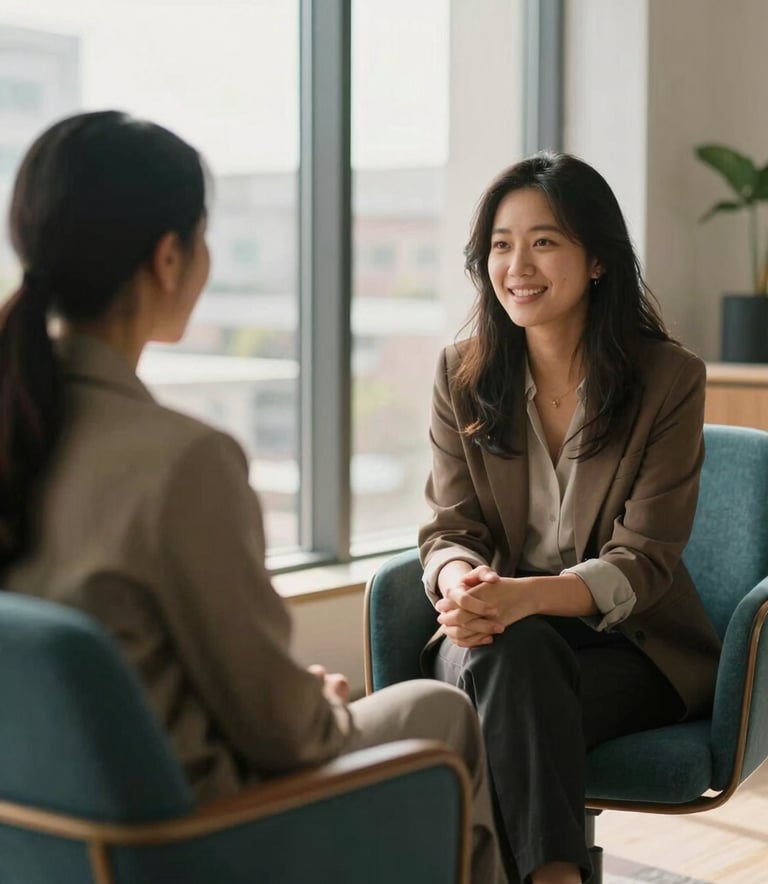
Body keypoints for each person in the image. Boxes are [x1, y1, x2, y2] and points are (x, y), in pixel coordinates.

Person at [0, 111, 506, 884]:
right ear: (169, 257)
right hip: (194, 838)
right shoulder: (181, 462)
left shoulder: (25, 422)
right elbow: (280, 733)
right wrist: (321, 704)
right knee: (440, 715)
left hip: (43, 831)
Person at [418, 152, 722, 884]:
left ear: (596, 261)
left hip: (628, 647)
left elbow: (643, 560)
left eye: (544, 241)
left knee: (510, 693)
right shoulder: (460, 375)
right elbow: (447, 530)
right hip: (491, 636)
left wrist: (525, 597)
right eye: (500, 243)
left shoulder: (667, 380)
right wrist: (460, 584)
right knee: (514, 660)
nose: (517, 264)